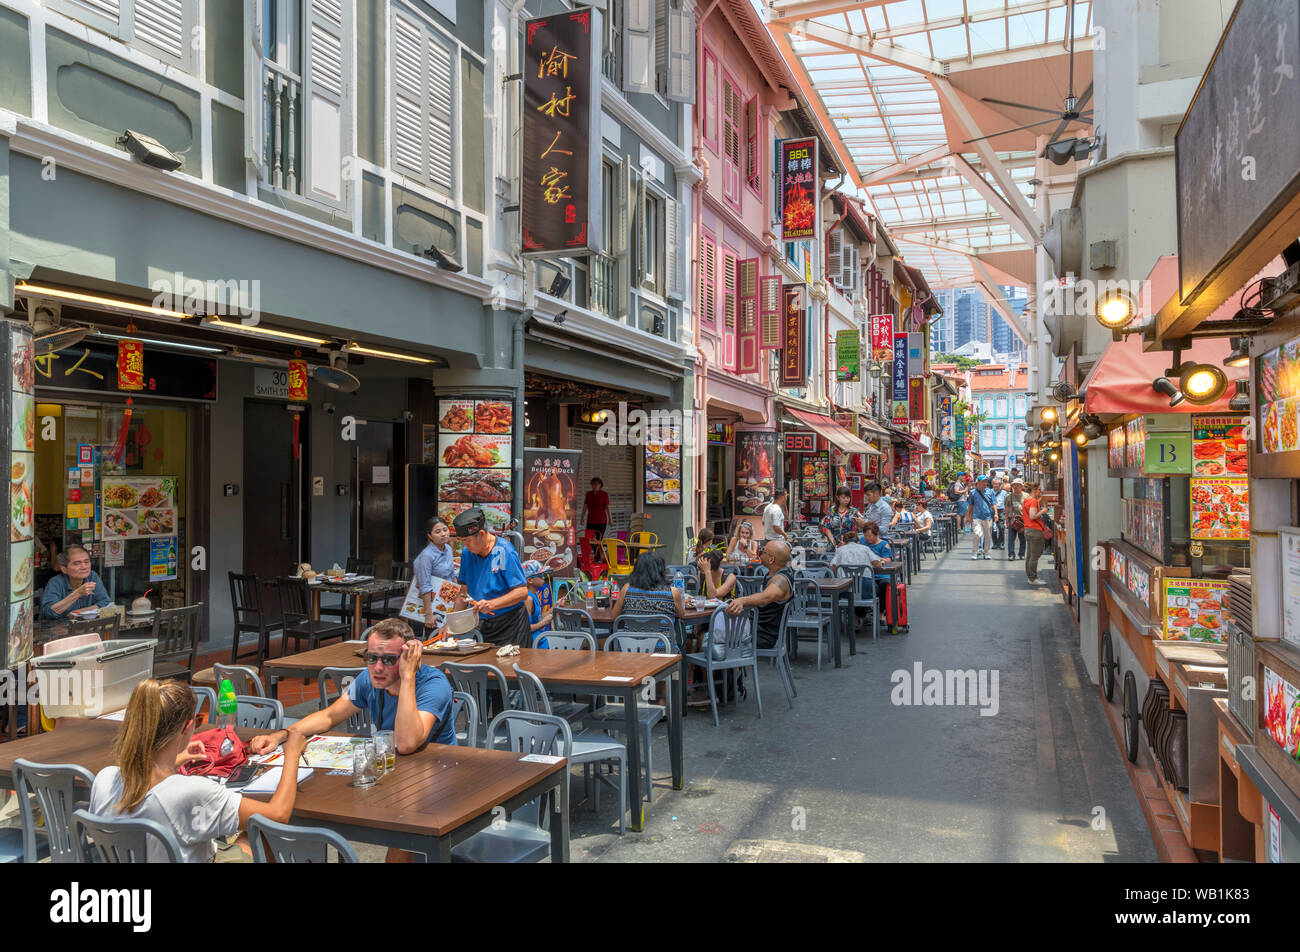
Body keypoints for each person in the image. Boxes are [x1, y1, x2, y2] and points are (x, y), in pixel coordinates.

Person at [249, 618, 456, 863]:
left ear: (409, 656)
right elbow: (329, 716)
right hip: (391, 772)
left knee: (406, 827)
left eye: (389, 659)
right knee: (285, 809)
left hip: (436, 781)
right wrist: (281, 734)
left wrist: (407, 677)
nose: (378, 667)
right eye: (371, 658)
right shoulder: (369, 680)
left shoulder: (433, 684)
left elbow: (407, 743)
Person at [90, 679, 308, 863]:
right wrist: (292, 755)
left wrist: (175, 761)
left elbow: (146, 785)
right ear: (187, 728)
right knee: (263, 832)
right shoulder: (190, 793)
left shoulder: (104, 779)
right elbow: (277, 816)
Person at [450, 508, 531, 646]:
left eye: (467, 541)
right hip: (481, 624)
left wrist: (492, 604)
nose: (465, 545)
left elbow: (522, 592)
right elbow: (464, 592)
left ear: (481, 534)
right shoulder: (467, 553)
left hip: (511, 624)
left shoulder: (505, 550)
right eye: (461, 541)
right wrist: (450, 625)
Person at [724, 541, 795, 650]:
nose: (759, 552)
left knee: (709, 636)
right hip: (756, 629)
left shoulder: (781, 579)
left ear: (771, 559)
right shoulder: (774, 574)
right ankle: (734, 666)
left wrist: (742, 600)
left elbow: (766, 597)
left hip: (762, 636)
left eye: (763, 551)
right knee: (717, 628)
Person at [40, 545, 113, 619]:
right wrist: (78, 593)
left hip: (84, 626)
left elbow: (105, 602)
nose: (84, 567)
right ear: (64, 569)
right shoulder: (55, 582)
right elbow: (49, 612)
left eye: (86, 562)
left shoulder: (92, 576)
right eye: (76, 563)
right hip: (57, 628)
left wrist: (76, 613)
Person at [413, 516, 456, 632]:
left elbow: (452, 574)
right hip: (432, 604)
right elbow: (424, 585)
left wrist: (458, 599)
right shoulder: (427, 555)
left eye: (445, 530)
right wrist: (428, 614)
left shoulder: (448, 548)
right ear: (430, 536)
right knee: (435, 639)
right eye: (438, 532)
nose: (443, 534)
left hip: (447, 599)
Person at [612, 552, 685, 619]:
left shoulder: (627, 589)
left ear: (637, 570)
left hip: (631, 633)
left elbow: (614, 616)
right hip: (662, 633)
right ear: (660, 570)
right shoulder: (673, 592)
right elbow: (681, 615)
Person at [522, 560, 553, 646]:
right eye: (540, 575)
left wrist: (554, 608)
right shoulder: (528, 599)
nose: (543, 576)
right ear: (530, 580)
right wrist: (544, 623)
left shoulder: (533, 594)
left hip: (541, 643)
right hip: (535, 646)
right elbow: (526, 628)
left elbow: (536, 618)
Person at [1023, 483, 1049, 585]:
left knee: (1029, 555)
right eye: (1038, 490)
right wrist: (1043, 511)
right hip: (1035, 531)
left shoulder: (1027, 500)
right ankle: (1033, 578)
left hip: (1028, 530)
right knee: (1034, 556)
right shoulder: (1033, 501)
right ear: (1033, 490)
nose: (1039, 492)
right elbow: (1033, 516)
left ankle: (1030, 576)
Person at [969, 474, 996, 560]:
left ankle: (986, 552)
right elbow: (970, 505)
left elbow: (993, 503)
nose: (985, 483)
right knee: (977, 534)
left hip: (988, 517)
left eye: (986, 481)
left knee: (988, 536)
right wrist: (969, 517)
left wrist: (996, 514)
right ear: (978, 482)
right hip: (977, 517)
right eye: (983, 481)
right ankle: (975, 552)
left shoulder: (990, 491)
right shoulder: (973, 492)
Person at [580, 477, 611, 541]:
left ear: (600, 485)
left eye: (596, 484)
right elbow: (585, 507)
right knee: (588, 540)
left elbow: (608, 507)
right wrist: (582, 518)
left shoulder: (604, 494)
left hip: (601, 522)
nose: (594, 486)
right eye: (592, 484)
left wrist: (610, 519)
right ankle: (595, 551)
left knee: (598, 540)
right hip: (590, 521)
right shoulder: (588, 494)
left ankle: (598, 551)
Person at [1005, 478, 1027, 561]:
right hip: (1012, 519)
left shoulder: (1026, 496)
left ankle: (1022, 554)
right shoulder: (1009, 496)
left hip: (1023, 519)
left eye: (1018, 485)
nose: (1016, 486)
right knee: (1011, 538)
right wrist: (1006, 519)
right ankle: (1011, 554)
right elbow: (1006, 508)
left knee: (1022, 538)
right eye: (1014, 485)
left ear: (1022, 486)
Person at [989, 477, 1009, 550]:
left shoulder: (1004, 493)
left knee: (1001, 527)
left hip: (1001, 510)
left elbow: (1006, 503)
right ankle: (995, 543)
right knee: (992, 528)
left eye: (997, 484)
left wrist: (1006, 514)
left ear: (1000, 485)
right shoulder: (989, 492)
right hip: (991, 511)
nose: (995, 485)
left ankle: (1001, 543)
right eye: (994, 484)